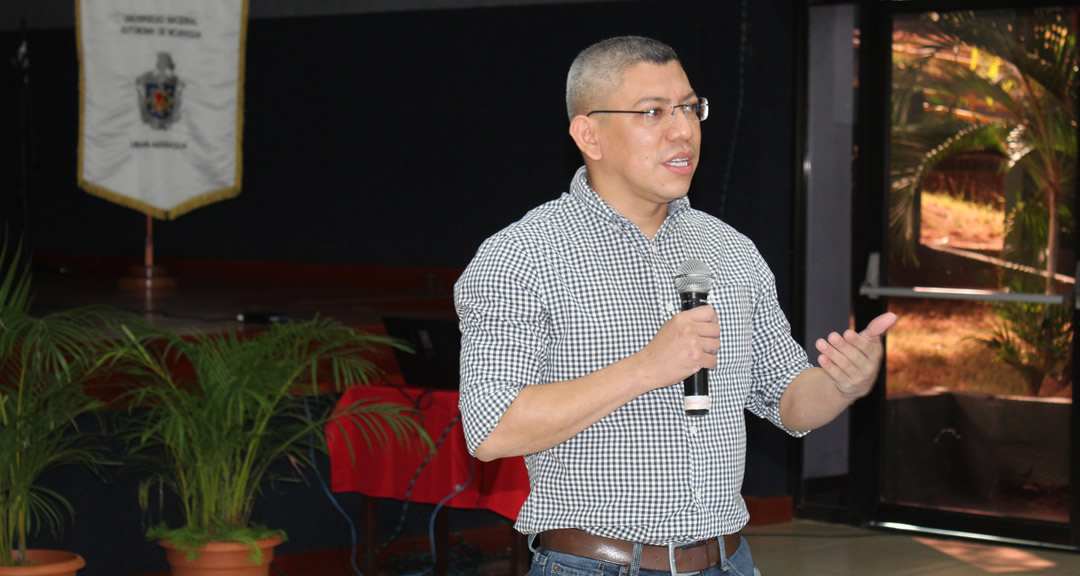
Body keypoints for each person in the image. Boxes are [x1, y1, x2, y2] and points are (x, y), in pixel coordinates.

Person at [454, 36, 896, 576]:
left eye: (690, 108)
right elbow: (491, 428)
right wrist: (646, 368)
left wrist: (842, 384)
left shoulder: (730, 249)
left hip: (729, 560)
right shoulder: (522, 256)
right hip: (595, 565)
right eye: (652, 113)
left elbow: (787, 399)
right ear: (589, 133)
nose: (683, 130)